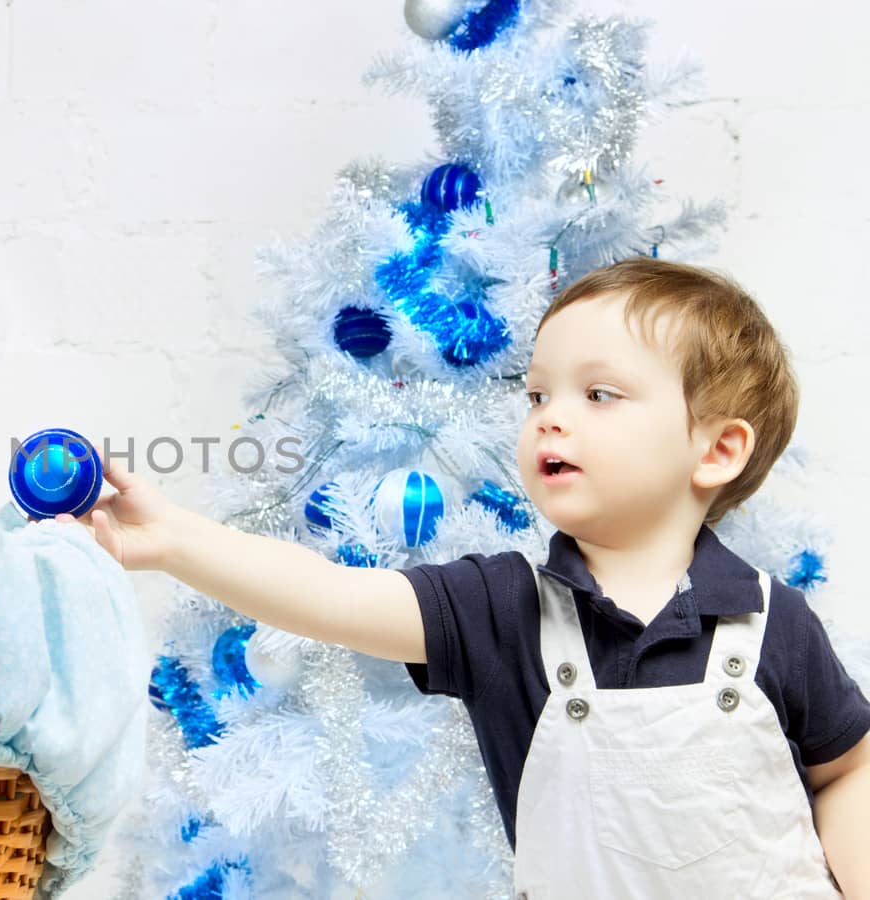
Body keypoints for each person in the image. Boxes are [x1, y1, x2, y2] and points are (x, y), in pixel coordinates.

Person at [65, 258, 870, 897]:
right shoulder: (503, 607)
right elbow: (331, 595)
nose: (550, 415)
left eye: (599, 393)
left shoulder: (770, 621)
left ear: (716, 450)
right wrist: (175, 539)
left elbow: (848, 767)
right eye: (538, 393)